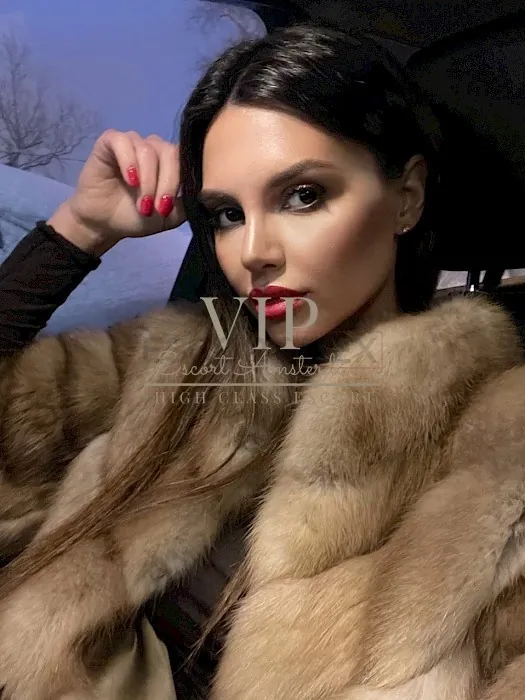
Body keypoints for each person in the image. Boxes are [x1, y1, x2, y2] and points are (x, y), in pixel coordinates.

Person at [0, 21, 524, 700]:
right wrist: (79, 230)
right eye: (227, 214)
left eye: (303, 195)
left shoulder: (499, 448)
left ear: (405, 197)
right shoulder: (181, 363)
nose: (253, 252)